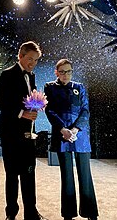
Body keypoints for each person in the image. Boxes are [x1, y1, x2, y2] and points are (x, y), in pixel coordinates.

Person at [0, 41, 47, 220]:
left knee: (29, 173)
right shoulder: (7, 75)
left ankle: (31, 212)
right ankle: (11, 213)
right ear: (21, 56)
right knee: (12, 175)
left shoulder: (31, 76)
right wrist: (21, 113)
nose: (33, 63)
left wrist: (34, 111)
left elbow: (30, 101)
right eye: (30, 59)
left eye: (36, 60)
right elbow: (0, 103)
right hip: (10, 134)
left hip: (27, 134)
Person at [44, 59, 99, 220]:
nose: (65, 74)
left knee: (85, 174)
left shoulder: (79, 87)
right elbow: (50, 110)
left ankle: (91, 213)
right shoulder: (50, 87)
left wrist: (74, 130)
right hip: (62, 136)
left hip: (79, 136)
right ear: (56, 72)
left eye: (68, 71)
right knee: (66, 176)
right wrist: (63, 130)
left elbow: (85, 110)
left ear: (72, 72)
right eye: (62, 71)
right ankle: (68, 214)